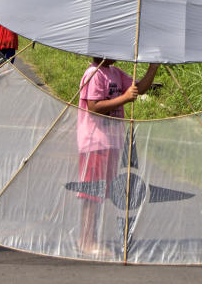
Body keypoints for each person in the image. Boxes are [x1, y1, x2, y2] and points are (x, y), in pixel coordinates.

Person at [76, 58, 159, 258]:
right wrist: (124, 99)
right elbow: (94, 107)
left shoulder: (114, 72)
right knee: (92, 193)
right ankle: (87, 241)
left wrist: (153, 68)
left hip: (111, 142)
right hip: (95, 142)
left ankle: (91, 238)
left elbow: (138, 88)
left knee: (101, 192)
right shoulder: (94, 74)